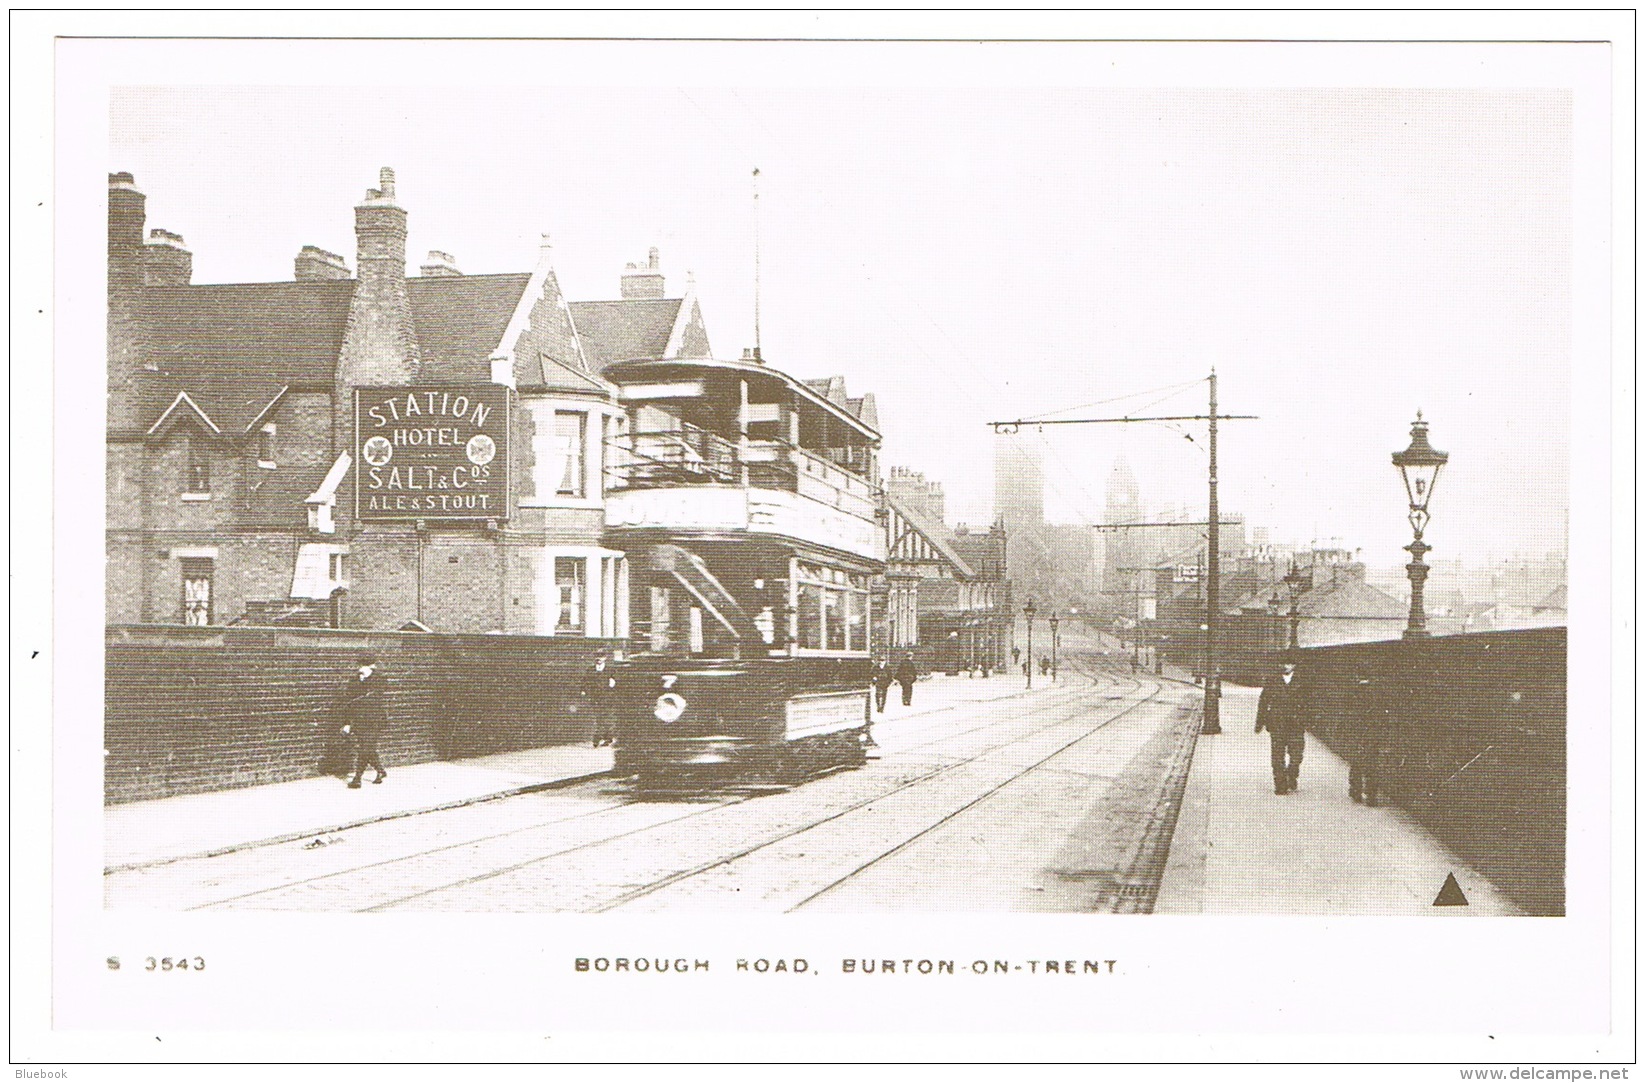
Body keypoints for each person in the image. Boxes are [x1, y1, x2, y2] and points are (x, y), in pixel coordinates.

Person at [1254, 657, 1307, 795]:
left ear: (1294, 665)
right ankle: (1280, 784)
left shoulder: (1302, 680)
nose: (1285, 666)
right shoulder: (1273, 680)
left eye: (1288, 663)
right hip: (1277, 723)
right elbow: (1264, 701)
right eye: (1282, 663)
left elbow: (1310, 702)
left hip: (1296, 724)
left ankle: (1292, 773)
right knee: (1277, 755)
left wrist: (1308, 720)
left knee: (1296, 755)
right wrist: (1259, 722)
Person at [339, 653, 387, 789]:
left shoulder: (379, 679)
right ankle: (381, 771)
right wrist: (347, 723)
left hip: (374, 720)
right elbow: (348, 702)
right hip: (359, 720)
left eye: (365, 666)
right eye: (360, 666)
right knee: (368, 748)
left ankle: (357, 778)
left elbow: (374, 697)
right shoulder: (354, 680)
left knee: (364, 748)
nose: (361, 669)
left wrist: (367, 679)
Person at [1345, 675, 1386, 807]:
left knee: (1358, 762)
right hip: (1369, 733)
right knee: (1370, 764)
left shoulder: (1352, 694)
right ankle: (1370, 794)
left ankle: (1358, 790)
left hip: (1362, 732)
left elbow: (1346, 714)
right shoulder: (1377, 695)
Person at [586, 655, 617, 747]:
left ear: (605, 658)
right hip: (595, 698)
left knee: (606, 717)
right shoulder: (590, 670)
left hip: (607, 698)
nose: (599, 659)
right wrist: (585, 691)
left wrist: (613, 684)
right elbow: (586, 682)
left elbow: (616, 683)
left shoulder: (610, 670)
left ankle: (600, 737)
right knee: (598, 718)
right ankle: (605, 737)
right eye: (597, 657)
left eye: (601, 657)